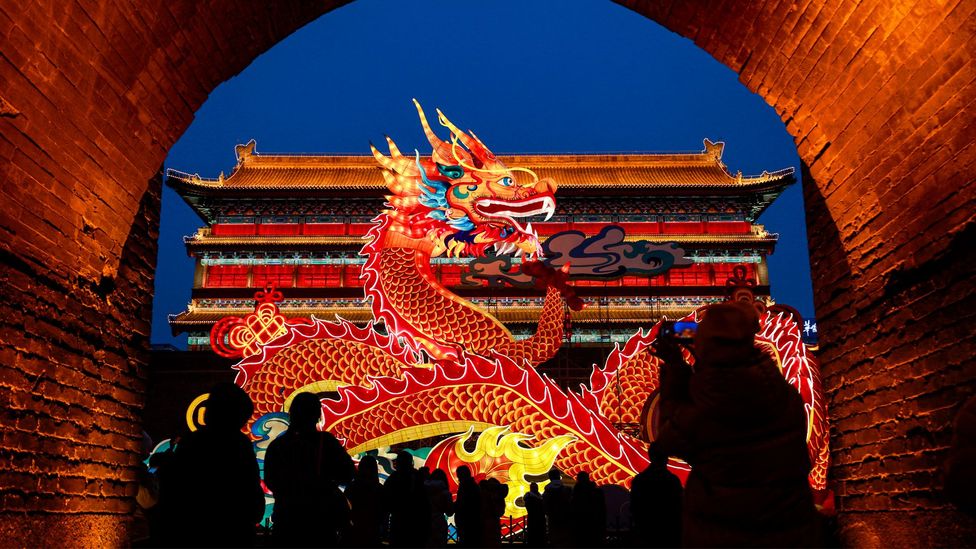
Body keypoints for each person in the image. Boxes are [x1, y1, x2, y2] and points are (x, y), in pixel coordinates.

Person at [653, 301, 821, 547]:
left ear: (706, 345)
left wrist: (676, 368)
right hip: (790, 532)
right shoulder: (783, 394)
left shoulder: (709, 406)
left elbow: (667, 439)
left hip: (722, 534)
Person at [165, 383, 265, 547]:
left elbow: (175, 489)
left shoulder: (190, 442)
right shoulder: (239, 444)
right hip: (233, 531)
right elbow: (249, 487)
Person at [264, 392, 355, 547]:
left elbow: (271, 481)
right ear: (317, 415)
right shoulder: (326, 443)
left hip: (287, 521)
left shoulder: (277, 446)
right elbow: (348, 473)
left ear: (292, 414)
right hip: (319, 522)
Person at [629, 444, 682, 548]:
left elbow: (634, 508)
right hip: (669, 534)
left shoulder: (640, 480)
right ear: (666, 459)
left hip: (646, 533)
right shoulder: (672, 480)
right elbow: (679, 507)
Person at [384, 450, 428, 547]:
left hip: (398, 520)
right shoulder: (418, 477)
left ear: (399, 463)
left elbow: (386, 500)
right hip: (416, 522)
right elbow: (425, 500)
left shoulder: (393, 477)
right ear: (411, 462)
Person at [344, 455, 387, 547]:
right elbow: (384, 512)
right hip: (372, 532)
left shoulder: (352, 487)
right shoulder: (380, 489)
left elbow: (344, 510)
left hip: (354, 532)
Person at [570, 472, 606, 547]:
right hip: (595, 523)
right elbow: (603, 508)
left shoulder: (576, 492)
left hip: (580, 525)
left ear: (578, 479)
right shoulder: (597, 491)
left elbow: (573, 508)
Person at [543, 469, 573, 548]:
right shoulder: (568, 490)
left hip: (553, 520)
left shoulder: (547, 492)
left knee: (554, 540)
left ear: (550, 478)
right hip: (566, 520)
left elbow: (544, 507)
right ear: (559, 477)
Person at [454, 465, 483, 547]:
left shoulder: (465, 487)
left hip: (467, 523)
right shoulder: (473, 486)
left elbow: (462, 503)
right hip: (473, 522)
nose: (458, 478)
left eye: (459, 475)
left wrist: (454, 507)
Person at [425, 468, 455, 546]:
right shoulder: (445, 492)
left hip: (424, 522)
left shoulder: (423, 489)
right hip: (439, 523)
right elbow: (449, 512)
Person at [524, 482, 546, 547]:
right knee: (536, 535)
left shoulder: (531, 496)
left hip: (535, 518)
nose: (536, 488)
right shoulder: (533, 497)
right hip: (536, 518)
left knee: (534, 535)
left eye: (536, 487)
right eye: (534, 487)